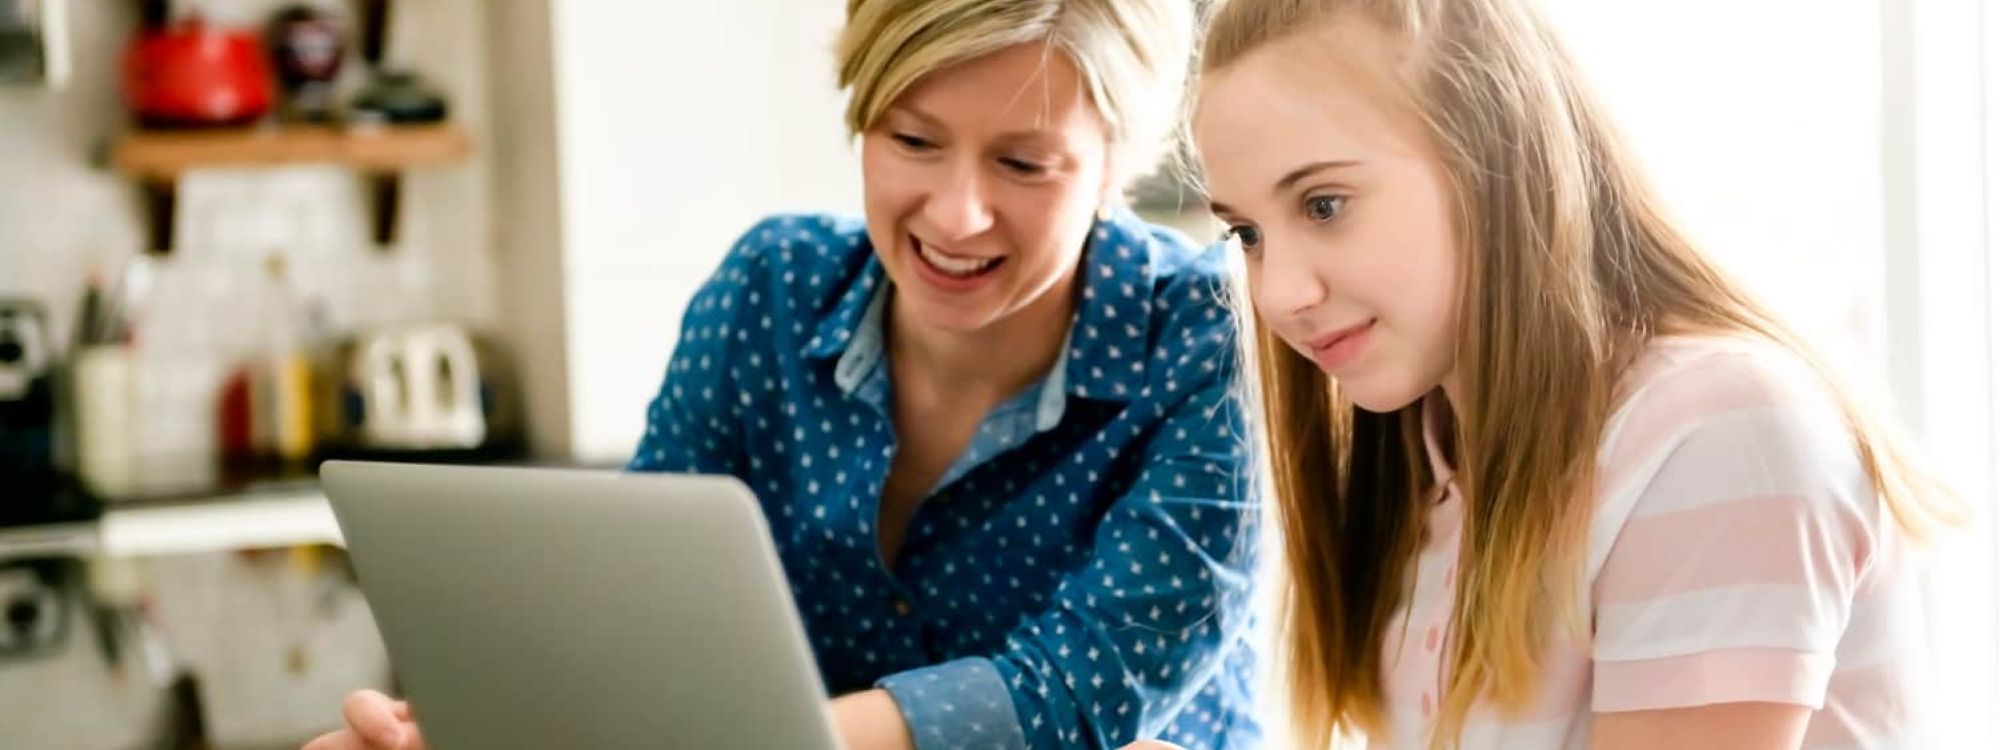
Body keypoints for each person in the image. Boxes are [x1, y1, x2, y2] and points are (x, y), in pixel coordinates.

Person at [305, 1, 1263, 749]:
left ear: (1112, 169)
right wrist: (482, 729)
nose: (957, 213)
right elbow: (642, 611)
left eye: (1023, 164)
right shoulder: (771, 291)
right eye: (913, 141)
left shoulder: (1213, 343)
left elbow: (1080, 689)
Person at [1174, 0, 1957, 747]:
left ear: (1494, 150)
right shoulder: (1429, 464)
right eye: (1246, 233)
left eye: (1323, 205)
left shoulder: (1718, 435)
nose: (1277, 294)